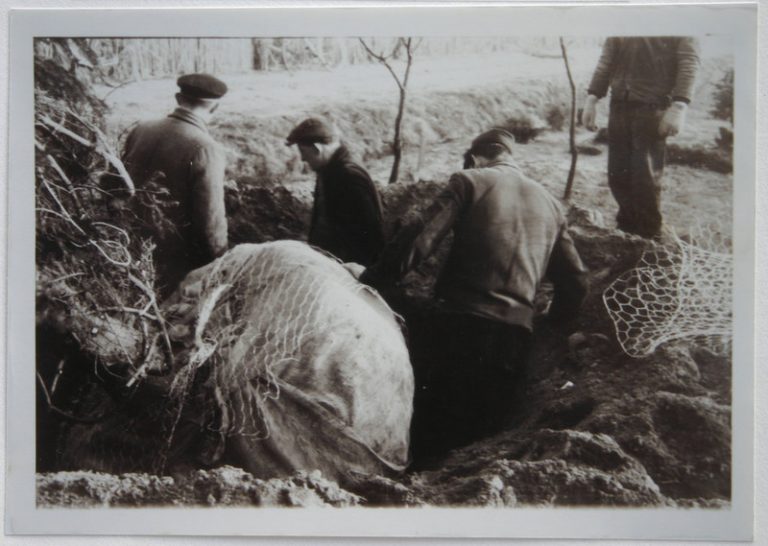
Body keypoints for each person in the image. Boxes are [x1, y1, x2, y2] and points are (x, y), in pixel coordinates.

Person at [361, 129, 589, 459]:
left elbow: (420, 239)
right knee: (479, 441)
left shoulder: (469, 181)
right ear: (511, 158)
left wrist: (374, 280)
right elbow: (577, 281)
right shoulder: (552, 204)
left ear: (475, 158)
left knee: (430, 431)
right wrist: (552, 323)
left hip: (459, 328)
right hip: (514, 342)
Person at [119, 73, 229, 296]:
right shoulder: (206, 148)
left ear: (178, 99)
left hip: (130, 247)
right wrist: (220, 263)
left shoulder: (141, 129)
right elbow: (210, 219)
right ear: (215, 108)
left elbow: (120, 184)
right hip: (177, 261)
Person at [582, 37, 701, 239]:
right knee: (618, 174)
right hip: (619, 105)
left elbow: (689, 63)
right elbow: (606, 61)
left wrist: (679, 106)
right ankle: (626, 233)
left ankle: (648, 238)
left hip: (653, 108)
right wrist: (592, 99)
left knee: (645, 177)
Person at [286, 118, 384, 266]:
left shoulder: (348, 175)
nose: (303, 159)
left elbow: (369, 234)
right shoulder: (328, 170)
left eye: (303, 152)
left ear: (317, 149)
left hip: (350, 270)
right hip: (333, 264)